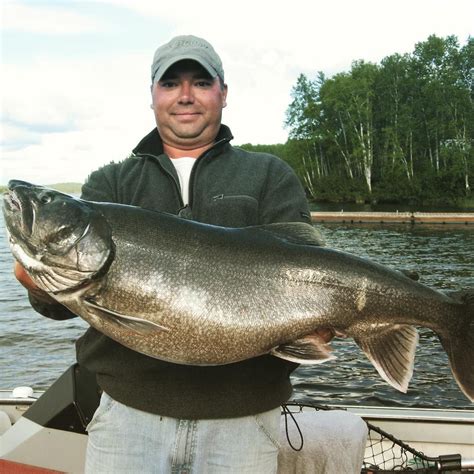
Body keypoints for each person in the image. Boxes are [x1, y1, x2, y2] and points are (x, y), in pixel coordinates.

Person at [14, 35, 336, 473]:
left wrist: (321, 316)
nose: (185, 95)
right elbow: (67, 306)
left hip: (244, 423)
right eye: (171, 84)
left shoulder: (268, 174)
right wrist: (39, 286)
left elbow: (308, 264)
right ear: (153, 97)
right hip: (126, 419)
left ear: (223, 93)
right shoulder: (109, 185)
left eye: (201, 82)